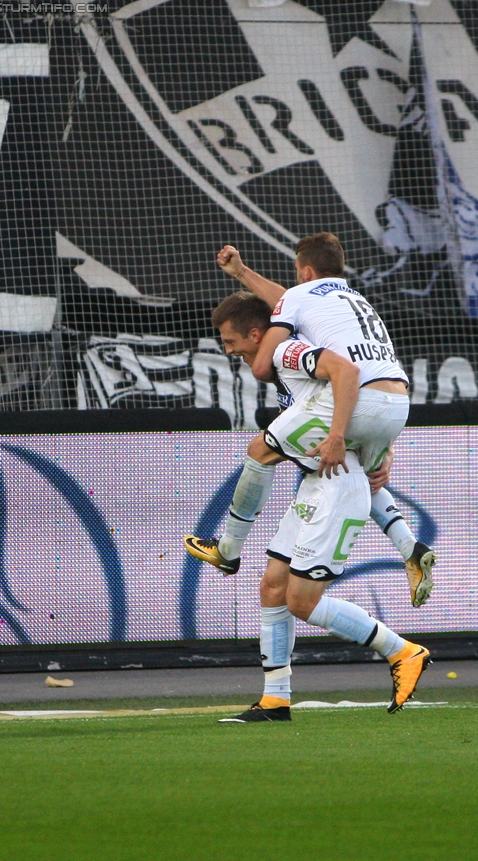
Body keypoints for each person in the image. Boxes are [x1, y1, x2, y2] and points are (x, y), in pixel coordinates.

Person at [184, 294, 430, 722]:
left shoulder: (287, 351)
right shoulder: (295, 377)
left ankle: (403, 651)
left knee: (300, 598)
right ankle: (276, 699)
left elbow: (341, 369)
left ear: (257, 334)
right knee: (273, 589)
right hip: (316, 487)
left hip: (336, 489)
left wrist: (371, 449)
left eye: (230, 341)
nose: (229, 352)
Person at [185, 233, 436, 607]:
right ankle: (410, 546)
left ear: (305, 271)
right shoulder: (354, 301)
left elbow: (261, 362)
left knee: (262, 451)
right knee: (357, 476)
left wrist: (338, 433)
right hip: (395, 404)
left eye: (230, 342)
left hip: (353, 401)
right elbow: (291, 303)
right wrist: (384, 444)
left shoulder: (295, 321)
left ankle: (229, 548)